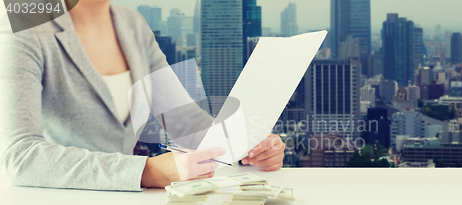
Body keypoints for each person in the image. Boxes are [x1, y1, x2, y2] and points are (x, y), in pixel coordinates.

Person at [0, 0, 285, 191]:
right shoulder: (22, 18)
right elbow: (20, 155)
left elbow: (185, 121)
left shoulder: (131, 23)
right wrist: (147, 171)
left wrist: (247, 145)